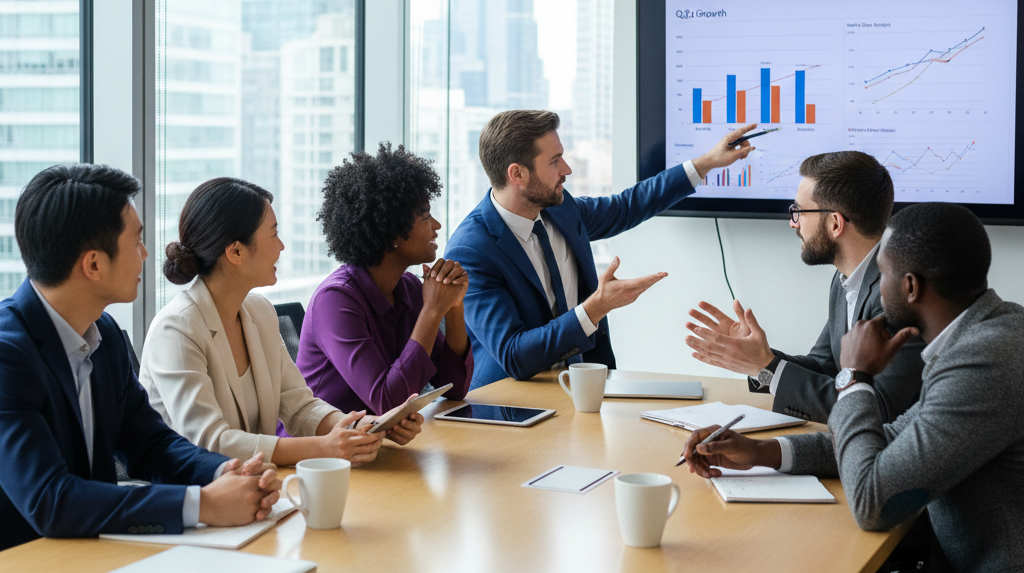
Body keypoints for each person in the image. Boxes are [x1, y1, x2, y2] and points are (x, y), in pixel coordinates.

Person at [682, 202, 1024, 573]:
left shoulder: (984, 361)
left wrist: (854, 378)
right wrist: (764, 453)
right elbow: (893, 439)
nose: (874, 292)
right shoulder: (988, 333)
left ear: (910, 287)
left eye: (881, 275)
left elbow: (873, 501)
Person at [0, 164, 280, 552]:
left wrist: (223, 471)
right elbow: (51, 500)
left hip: (95, 554)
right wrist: (203, 504)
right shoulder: (8, 356)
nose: (146, 254)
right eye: (136, 242)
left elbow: (151, 444)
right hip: (25, 567)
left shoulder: (104, 334)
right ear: (94, 264)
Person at [445, 108, 756, 387]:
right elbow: (514, 355)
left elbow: (627, 206)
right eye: (554, 161)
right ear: (517, 174)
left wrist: (707, 162)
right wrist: (595, 307)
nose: (567, 169)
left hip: (584, 389)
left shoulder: (561, 208)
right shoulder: (472, 251)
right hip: (511, 407)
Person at [141, 178, 420, 466]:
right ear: (236, 252)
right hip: (197, 487)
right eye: (274, 234)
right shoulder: (176, 329)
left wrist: (363, 427)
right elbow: (210, 442)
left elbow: (299, 405)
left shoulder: (260, 312)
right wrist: (325, 448)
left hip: (255, 480)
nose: (282, 245)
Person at [685, 151, 924, 423]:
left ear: (835, 223)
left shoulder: (895, 294)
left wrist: (764, 366)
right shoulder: (847, 278)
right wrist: (756, 359)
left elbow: (878, 409)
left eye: (799, 211)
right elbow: (826, 367)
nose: (792, 222)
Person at [297, 144, 473, 416]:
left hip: (377, 437)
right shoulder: (334, 301)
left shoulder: (410, 288)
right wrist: (432, 310)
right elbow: (387, 401)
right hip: (323, 443)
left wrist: (453, 306)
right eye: (425, 215)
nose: (436, 225)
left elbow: (455, 387)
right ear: (392, 230)